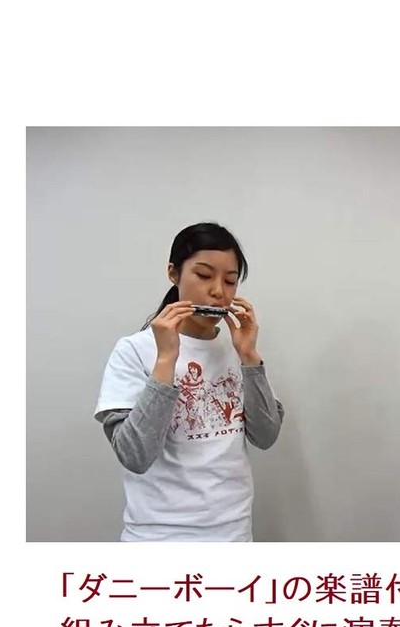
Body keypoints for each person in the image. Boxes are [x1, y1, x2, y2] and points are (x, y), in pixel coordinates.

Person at [94, 222, 284, 541]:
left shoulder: (236, 349)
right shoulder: (134, 350)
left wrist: (250, 358)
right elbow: (135, 456)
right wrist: (166, 359)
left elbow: (265, 436)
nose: (218, 291)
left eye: (230, 280)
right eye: (204, 275)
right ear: (174, 273)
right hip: (158, 538)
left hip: (234, 534)